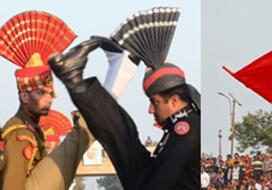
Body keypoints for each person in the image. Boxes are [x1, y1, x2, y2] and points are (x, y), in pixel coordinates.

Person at [49, 35, 201, 189]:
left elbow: (163, 180)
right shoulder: (182, 124)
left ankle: (81, 78)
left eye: (155, 102)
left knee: (127, 139)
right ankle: (78, 79)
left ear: (174, 101)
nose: (150, 110)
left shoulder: (188, 129)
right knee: (126, 136)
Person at [0, 11, 95, 189]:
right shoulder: (19, 133)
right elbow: (12, 184)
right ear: (25, 96)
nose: (49, 100)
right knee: (77, 139)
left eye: (50, 94)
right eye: (42, 94)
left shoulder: (34, 128)